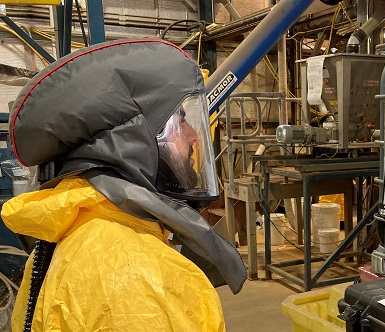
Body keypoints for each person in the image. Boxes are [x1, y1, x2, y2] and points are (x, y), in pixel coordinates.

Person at [1, 39, 247, 331]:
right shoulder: (138, 277)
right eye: (180, 122)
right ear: (132, 142)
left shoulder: (84, 229)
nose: (194, 136)